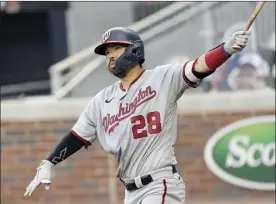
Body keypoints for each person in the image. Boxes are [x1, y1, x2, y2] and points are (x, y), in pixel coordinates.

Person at [24, 27, 251, 203]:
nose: (110, 56)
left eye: (115, 48)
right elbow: (78, 136)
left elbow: (198, 66)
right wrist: (48, 162)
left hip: (159, 183)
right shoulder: (103, 99)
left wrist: (226, 49)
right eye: (107, 52)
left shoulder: (162, 78)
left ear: (133, 49)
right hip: (130, 192)